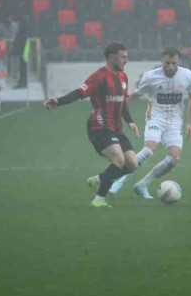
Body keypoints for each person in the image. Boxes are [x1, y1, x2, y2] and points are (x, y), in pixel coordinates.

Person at [43, 42, 141, 208]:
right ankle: (98, 199)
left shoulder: (123, 77)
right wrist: (57, 102)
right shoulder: (98, 77)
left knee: (132, 164)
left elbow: (122, 102)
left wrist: (130, 121)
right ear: (111, 57)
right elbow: (78, 93)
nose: (126, 60)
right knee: (118, 159)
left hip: (116, 128)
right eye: (123, 57)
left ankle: (98, 180)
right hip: (99, 125)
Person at [109, 47, 191, 198]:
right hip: (155, 117)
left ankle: (142, 185)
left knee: (174, 158)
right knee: (149, 149)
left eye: (173, 63)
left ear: (179, 62)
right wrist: (116, 114)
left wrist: (189, 123)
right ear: (162, 61)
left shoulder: (188, 76)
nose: (170, 67)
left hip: (175, 122)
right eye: (167, 63)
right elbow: (135, 95)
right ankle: (120, 181)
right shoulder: (150, 77)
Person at [12, 17, 28, 89]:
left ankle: (23, 82)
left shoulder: (21, 33)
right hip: (24, 52)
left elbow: (19, 43)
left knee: (22, 67)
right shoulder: (24, 32)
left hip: (23, 52)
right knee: (22, 67)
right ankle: (23, 81)